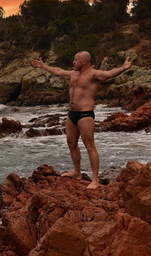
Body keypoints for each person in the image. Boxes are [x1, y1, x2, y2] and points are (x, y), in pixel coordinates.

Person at [31, 51, 133, 189]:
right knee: (71, 143)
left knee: (90, 146)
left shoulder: (94, 74)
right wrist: (44, 66)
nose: (73, 62)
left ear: (84, 62)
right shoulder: (73, 74)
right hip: (71, 114)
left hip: (85, 115)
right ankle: (77, 172)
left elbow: (109, 74)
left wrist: (123, 68)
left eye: (76, 60)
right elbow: (59, 72)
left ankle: (95, 180)